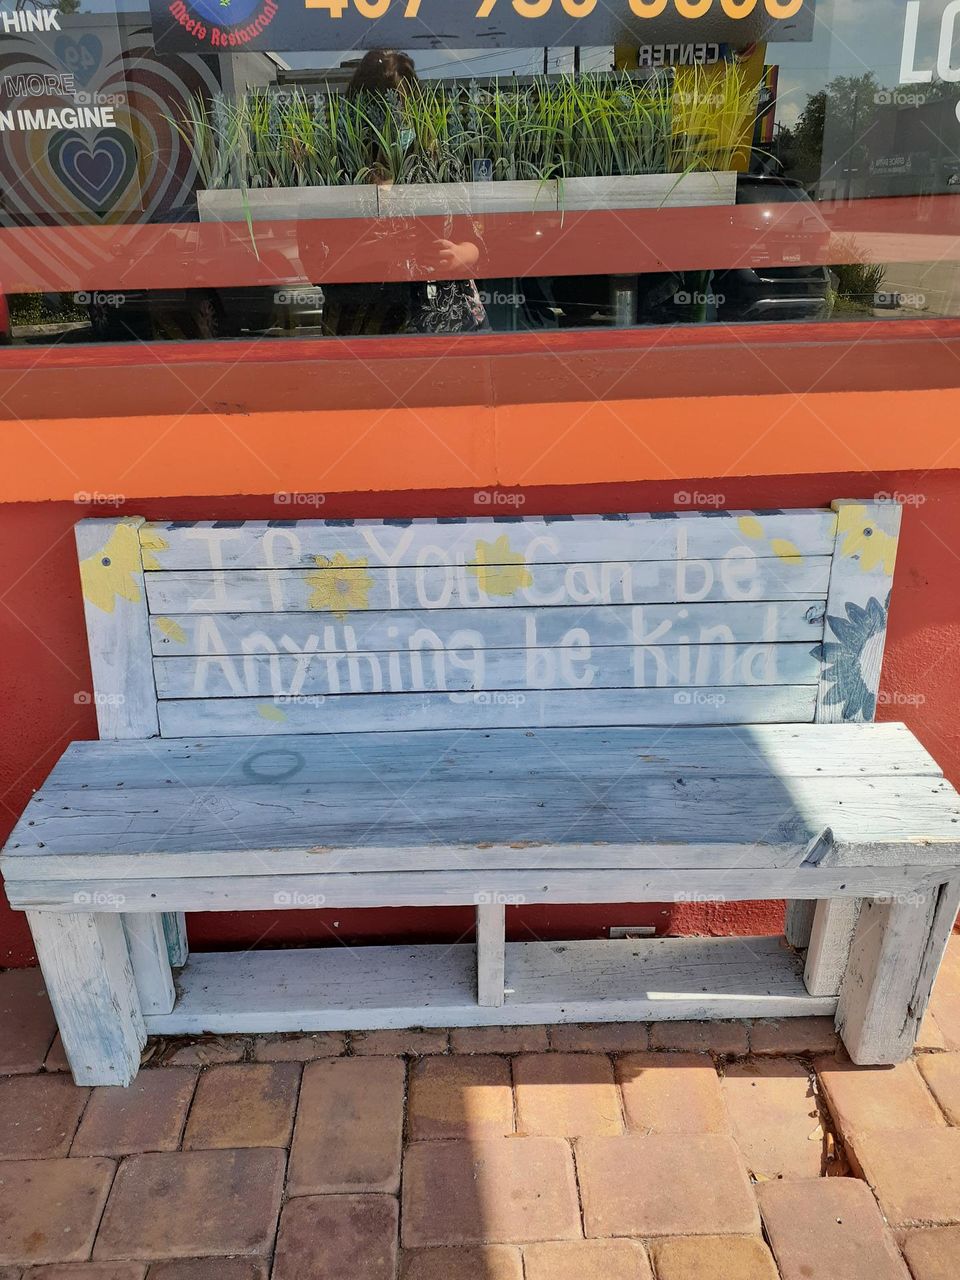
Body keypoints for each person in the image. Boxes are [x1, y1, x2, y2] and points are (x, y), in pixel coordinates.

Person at [323, 49, 488, 337]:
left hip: (452, 326)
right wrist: (376, 252)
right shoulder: (339, 172)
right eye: (383, 109)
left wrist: (460, 255)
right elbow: (316, 262)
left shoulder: (439, 162)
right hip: (368, 331)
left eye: (402, 107)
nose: (395, 120)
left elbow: (475, 239)